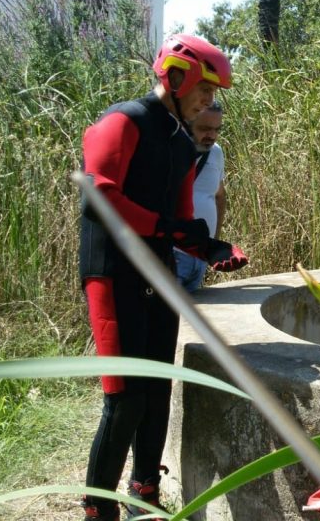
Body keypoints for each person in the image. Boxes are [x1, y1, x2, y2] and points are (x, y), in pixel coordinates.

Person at [78, 34, 249, 521]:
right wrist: (165, 228)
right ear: (177, 76)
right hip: (112, 274)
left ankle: (145, 495)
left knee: (157, 392)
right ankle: (98, 508)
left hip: (159, 276)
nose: (209, 101)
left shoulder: (182, 142)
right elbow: (99, 197)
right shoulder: (124, 121)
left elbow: (177, 221)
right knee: (125, 399)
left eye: (214, 95)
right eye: (205, 89)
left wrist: (210, 246)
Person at [174, 100, 228, 293]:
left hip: (200, 257)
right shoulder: (169, 151)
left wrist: (213, 243)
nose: (211, 135)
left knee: (189, 320)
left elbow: (219, 196)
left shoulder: (216, 153)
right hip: (172, 256)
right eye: (205, 128)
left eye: (216, 129)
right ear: (187, 123)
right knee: (164, 319)